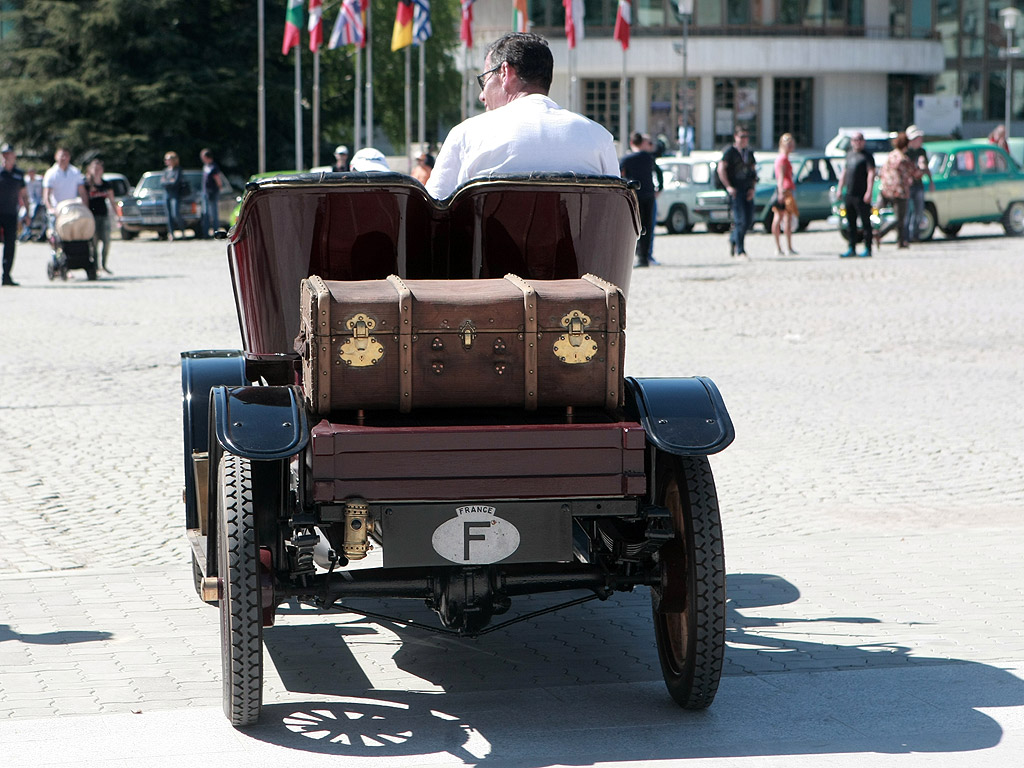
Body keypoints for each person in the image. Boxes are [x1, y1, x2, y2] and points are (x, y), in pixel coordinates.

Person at [425, 33, 618, 200]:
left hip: (490, 243)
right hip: (576, 244)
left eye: (484, 81)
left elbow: (431, 214)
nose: (481, 95)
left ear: (505, 73)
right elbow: (619, 219)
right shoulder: (599, 137)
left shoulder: (467, 134)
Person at [620, 131, 664, 268]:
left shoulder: (626, 159)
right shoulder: (648, 157)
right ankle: (645, 257)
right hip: (649, 194)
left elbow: (620, 175)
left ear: (631, 143)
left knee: (635, 227)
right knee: (648, 227)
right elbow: (659, 172)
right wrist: (659, 187)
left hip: (634, 195)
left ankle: (638, 256)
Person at [717, 125, 757, 260]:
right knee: (740, 220)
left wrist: (752, 188)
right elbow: (721, 169)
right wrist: (728, 186)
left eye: (746, 137)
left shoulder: (749, 153)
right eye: (742, 136)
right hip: (736, 190)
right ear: (736, 137)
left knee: (749, 220)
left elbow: (753, 171)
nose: (744, 139)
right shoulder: (730, 152)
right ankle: (740, 250)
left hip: (747, 189)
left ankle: (733, 239)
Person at [836, 132, 876, 258]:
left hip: (861, 194)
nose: (857, 142)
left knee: (865, 222)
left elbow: (871, 174)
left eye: (859, 139)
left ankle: (868, 248)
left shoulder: (867, 156)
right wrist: (839, 188)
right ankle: (851, 248)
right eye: (854, 140)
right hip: (850, 193)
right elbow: (844, 172)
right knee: (850, 223)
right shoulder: (849, 154)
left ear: (863, 141)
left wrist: (869, 191)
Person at [875, 132, 915, 250]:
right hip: (899, 191)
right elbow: (914, 172)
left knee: (885, 214)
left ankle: (900, 240)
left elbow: (882, 171)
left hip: (886, 190)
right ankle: (881, 234)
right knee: (899, 218)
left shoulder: (890, 156)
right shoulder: (903, 159)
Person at [0, 143, 30, 286]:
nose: (6, 156)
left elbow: (24, 195)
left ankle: (6, 276)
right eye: (4, 154)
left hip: (11, 214)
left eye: (9, 153)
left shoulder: (18, 174)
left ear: (14, 156)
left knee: (10, 245)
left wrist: (27, 214)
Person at [42, 147, 86, 237]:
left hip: (72, 209)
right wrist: (50, 209)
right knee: (55, 235)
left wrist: (85, 207)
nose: (64, 158)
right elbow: (46, 195)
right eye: (61, 156)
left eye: (66, 156)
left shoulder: (75, 172)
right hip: (57, 210)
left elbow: (82, 192)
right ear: (56, 157)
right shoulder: (51, 173)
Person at [83, 159, 118, 273]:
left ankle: (104, 264)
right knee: (94, 242)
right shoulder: (86, 184)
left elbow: (112, 201)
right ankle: (96, 266)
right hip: (91, 217)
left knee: (107, 241)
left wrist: (118, 215)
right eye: (95, 169)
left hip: (104, 216)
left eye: (99, 169)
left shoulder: (106, 184)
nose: (97, 171)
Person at [904, 124, 933, 244]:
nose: (920, 140)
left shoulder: (922, 151)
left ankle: (915, 235)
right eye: (917, 138)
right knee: (908, 212)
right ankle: (906, 237)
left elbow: (926, 168)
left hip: (918, 184)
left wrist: (931, 181)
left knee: (919, 211)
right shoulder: (906, 152)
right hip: (908, 186)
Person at [771, 133, 799, 257]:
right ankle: (784, 247)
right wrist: (781, 192)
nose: (791, 146)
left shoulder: (782, 158)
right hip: (785, 190)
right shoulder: (782, 159)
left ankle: (785, 247)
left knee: (782, 218)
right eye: (788, 144)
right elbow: (781, 177)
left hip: (785, 189)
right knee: (783, 219)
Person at [161, 151, 187, 240]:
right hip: (167, 195)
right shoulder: (165, 171)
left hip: (175, 194)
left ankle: (182, 230)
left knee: (176, 213)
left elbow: (175, 182)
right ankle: (171, 233)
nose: (166, 161)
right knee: (169, 215)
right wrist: (169, 181)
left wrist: (168, 182)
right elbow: (162, 182)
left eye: (168, 159)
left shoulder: (178, 170)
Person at [199, 148, 224, 239]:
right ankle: (205, 233)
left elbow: (218, 179)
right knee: (205, 213)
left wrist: (219, 188)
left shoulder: (214, 166)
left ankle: (215, 232)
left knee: (214, 213)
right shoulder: (205, 167)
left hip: (213, 193)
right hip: (205, 193)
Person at [18, 169, 44, 242]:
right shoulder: (25, 180)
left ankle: (29, 231)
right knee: (21, 216)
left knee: (32, 215)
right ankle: (23, 232)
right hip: (27, 202)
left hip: (37, 202)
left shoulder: (39, 180)